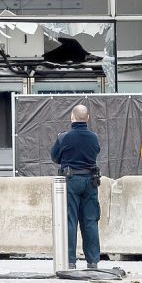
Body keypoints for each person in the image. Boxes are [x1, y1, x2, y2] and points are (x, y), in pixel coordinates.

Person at [50, 104, 102, 270]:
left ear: (72, 117)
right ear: (87, 118)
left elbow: (55, 157)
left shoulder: (63, 137)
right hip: (91, 181)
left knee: (70, 221)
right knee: (90, 221)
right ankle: (93, 262)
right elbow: (96, 152)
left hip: (71, 181)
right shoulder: (94, 137)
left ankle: (70, 261)